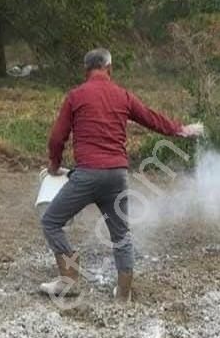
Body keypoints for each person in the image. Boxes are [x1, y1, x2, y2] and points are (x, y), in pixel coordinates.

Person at [39, 47, 202, 301]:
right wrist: (181, 129)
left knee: (51, 222)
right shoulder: (122, 95)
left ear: (86, 70)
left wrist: (54, 164)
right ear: (109, 69)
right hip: (117, 175)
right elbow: (151, 118)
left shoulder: (75, 96)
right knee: (121, 235)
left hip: (87, 175)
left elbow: (57, 137)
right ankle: (123, 295)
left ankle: (69, 280)